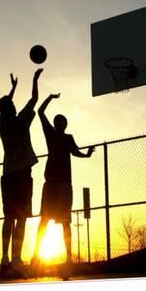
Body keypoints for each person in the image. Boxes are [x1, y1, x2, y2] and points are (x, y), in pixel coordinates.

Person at [31, 93, 95, 268]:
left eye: (62, 121)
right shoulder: (50, 133)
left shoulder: (68, 138)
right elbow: (40, 111)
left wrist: (87, 155)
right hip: (51, 183)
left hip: (64, 185)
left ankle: (68, 258)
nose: (59, 123)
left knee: (65, 221)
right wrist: (50, 97)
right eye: (57, 121)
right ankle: (36, 255)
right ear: (55, 123)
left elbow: (75, 152)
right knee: (44, 220)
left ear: (65, 125)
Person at [0, 68, 43, 271]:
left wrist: (13, 89)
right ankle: (15, 258)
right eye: (12, 103)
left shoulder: (1, 122)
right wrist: (34, 79)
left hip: (8, 175)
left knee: (9, 217)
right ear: (9, 108)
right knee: (21, 218)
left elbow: (4, 105)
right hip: (23, 175)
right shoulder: (21, 119)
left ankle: (6, 257)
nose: (14, 103)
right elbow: (34, 98)